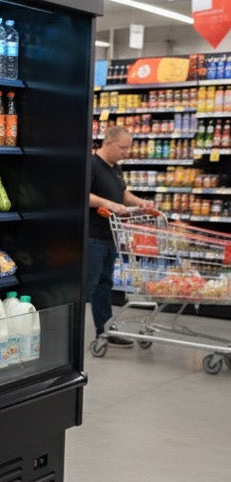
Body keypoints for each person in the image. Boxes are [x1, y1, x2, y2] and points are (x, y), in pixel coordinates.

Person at [87, 125, 155, 345]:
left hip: (111, 236)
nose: (127, 152)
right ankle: (71, 337)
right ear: (108, 142)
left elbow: (122, 193)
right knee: (88, 285)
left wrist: (140, 203)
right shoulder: (91, 165)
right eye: (123, 148)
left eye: (129, 148)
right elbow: (82, 195)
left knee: (104, 284)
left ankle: (104, 330)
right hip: (92, 236)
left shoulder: (115, 168)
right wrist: (108, 204)